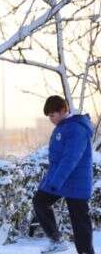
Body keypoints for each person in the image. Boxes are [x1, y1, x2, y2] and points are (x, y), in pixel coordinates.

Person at [33, 95, 95, 254]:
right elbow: (57, 159)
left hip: (76, 183)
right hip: (62, 181)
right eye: (49, 117)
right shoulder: (63, 126)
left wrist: (55, 181)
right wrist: (50, 181)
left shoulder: (76, 128)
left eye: (52, 115)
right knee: (40, 201)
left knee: (80, 223)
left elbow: (70, 159)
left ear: (62, 110)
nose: (51, 119)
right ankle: (56, 240)